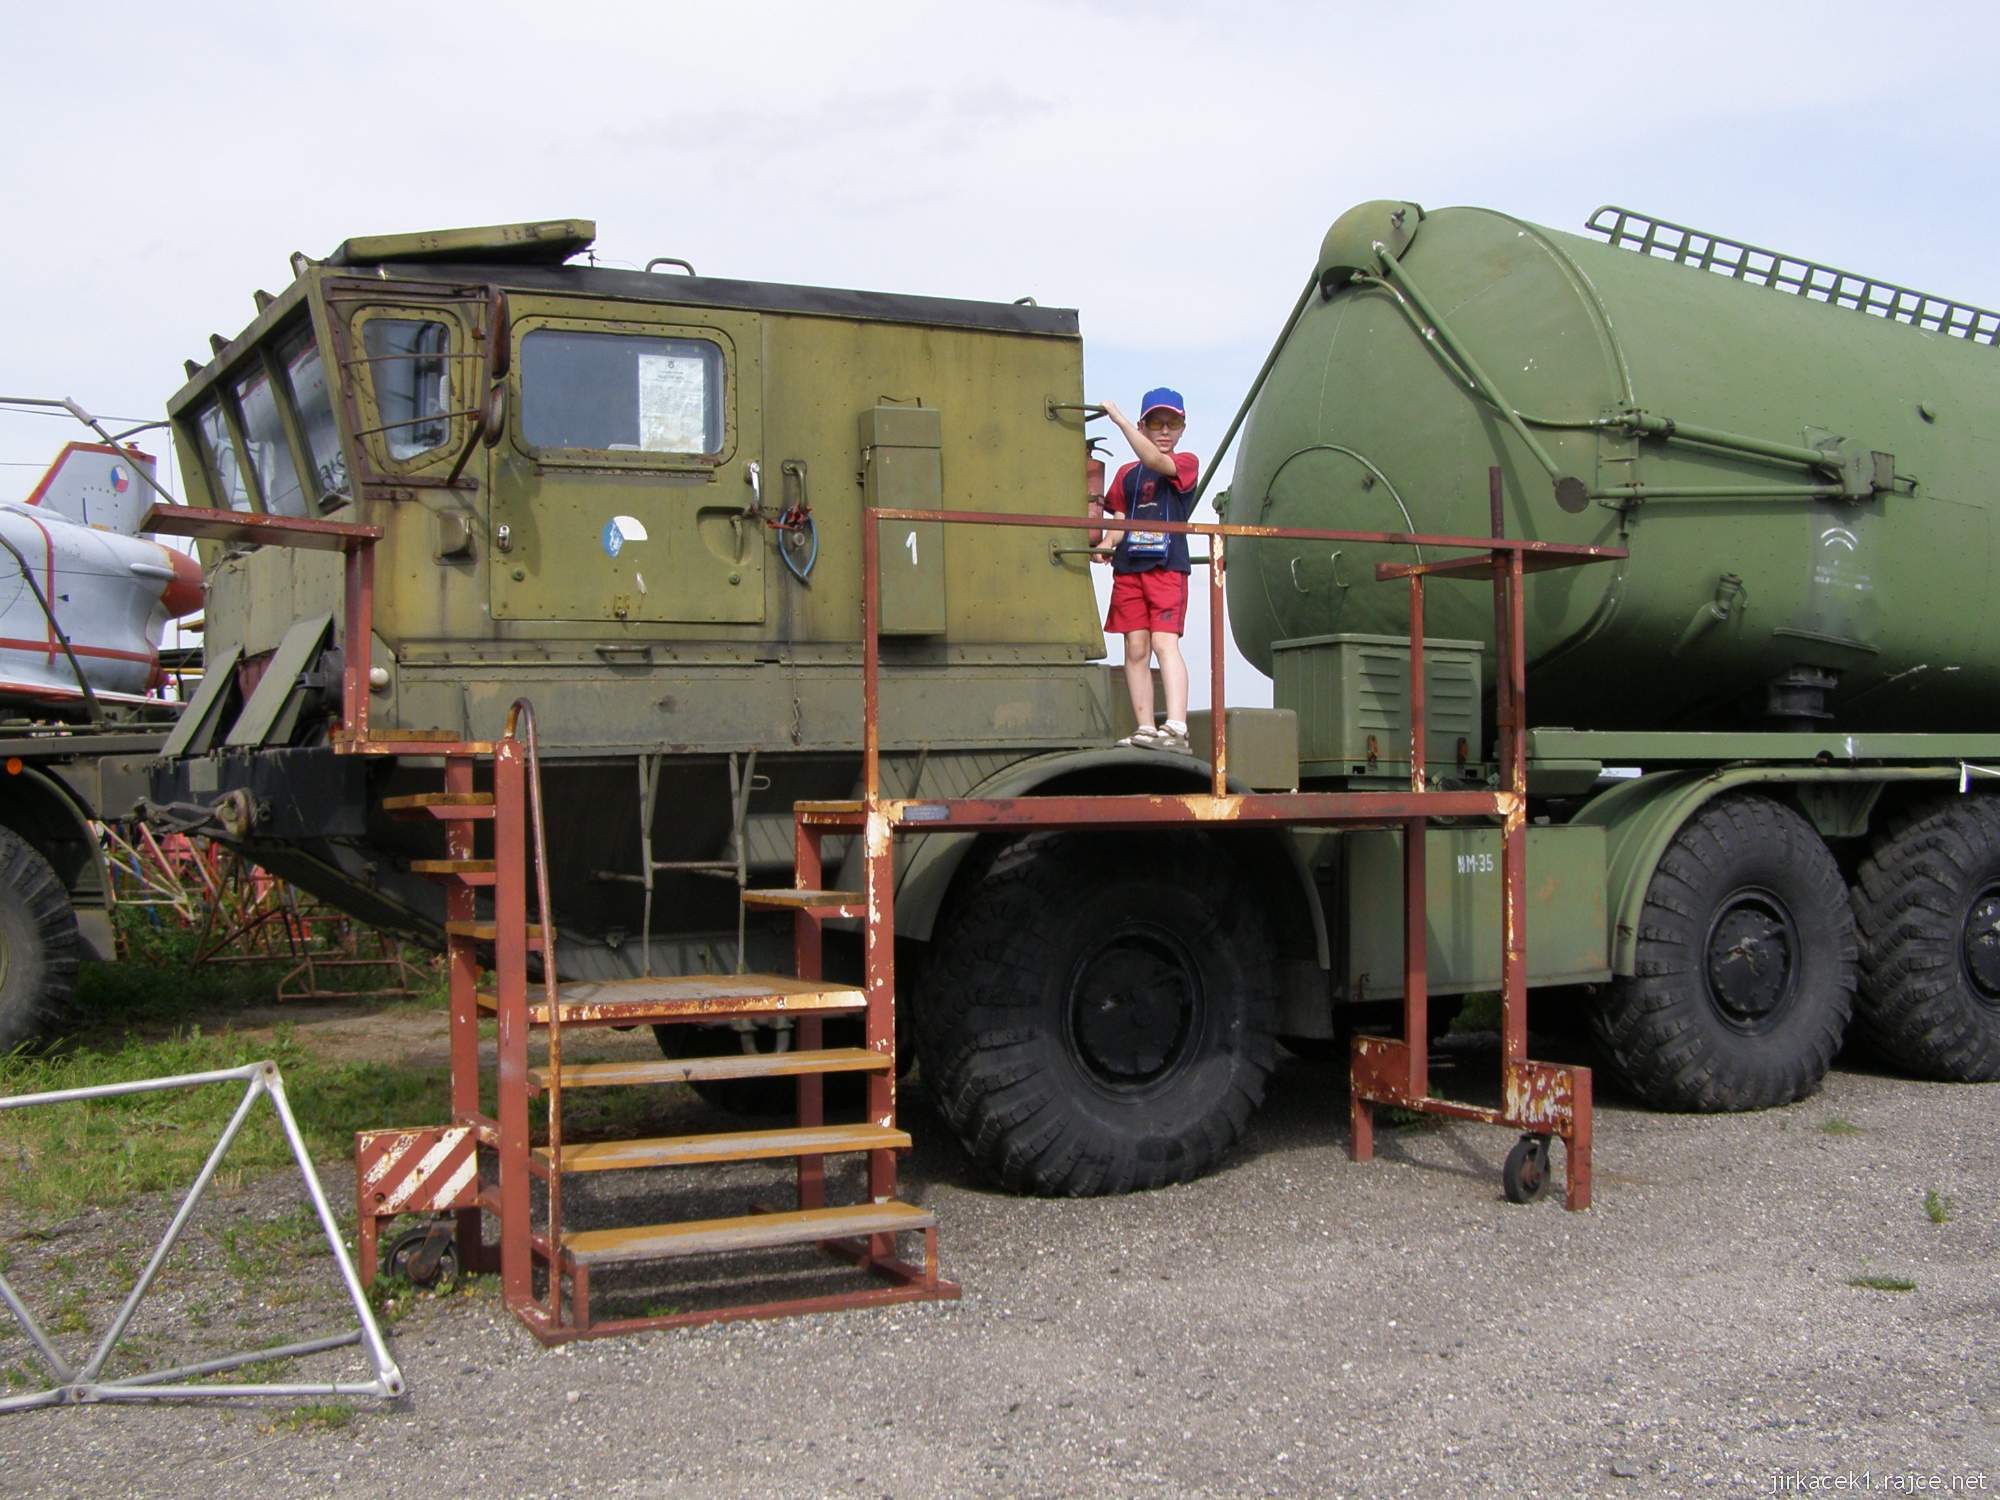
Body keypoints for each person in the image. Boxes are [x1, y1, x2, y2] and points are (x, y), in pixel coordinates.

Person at [1096, 387, 1198, 753]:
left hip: (1166, 567)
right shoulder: (1125, 475)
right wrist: (1106, 545)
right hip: (1129, 571)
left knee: (1163, 642)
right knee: (1135, 647)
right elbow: (1121, 520)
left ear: (1183, 428)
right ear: (1146, 425)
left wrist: (1120, 421)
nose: (1165, 431)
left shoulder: (1186, 463)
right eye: (1157, 424)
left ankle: (1176, 725)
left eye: (1173, 424)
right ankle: (1144, 728)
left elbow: (1156, 462)